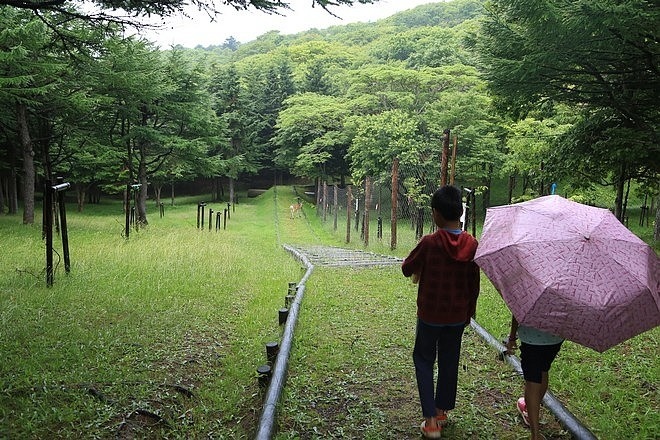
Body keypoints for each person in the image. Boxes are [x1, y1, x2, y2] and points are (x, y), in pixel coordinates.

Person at [401, 185, 480, 439]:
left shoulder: (429, 242)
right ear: (460, 212)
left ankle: (431, 421)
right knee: (449, 360)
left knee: (424, 360)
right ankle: (441, 410)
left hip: (430, 316)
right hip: (457, 316)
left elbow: (406, 268)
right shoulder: (472, 244)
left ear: (435, 214)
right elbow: (474, 284)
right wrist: (469, 312)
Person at [505, 316, 564, 440]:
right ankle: (529, 410)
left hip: (531, 337)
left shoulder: (530, 295)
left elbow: (518, 311)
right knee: (543, 370)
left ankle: (535, 435)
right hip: (556, 336)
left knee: (532, 381)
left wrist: (512, 337)